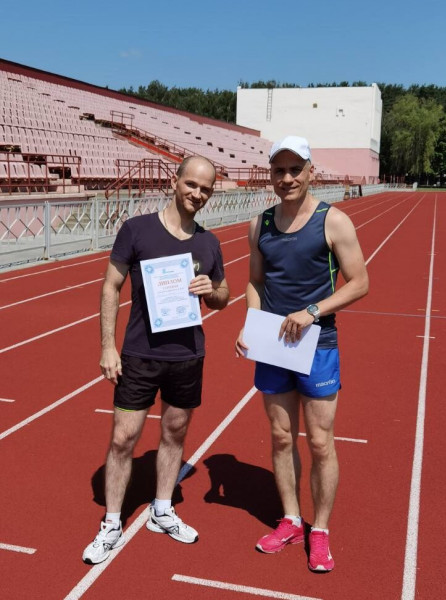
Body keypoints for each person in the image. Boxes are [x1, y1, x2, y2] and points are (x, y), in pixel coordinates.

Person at [83, 156, 229, 564]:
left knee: (175, 433)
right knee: (123, 438)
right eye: (191, 184)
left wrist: (211, 291)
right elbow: (110, 286)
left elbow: (224, 295)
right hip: (140, 355)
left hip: (187, 356)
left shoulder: (209, 243)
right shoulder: (137, 229)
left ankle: (162, 509)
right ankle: (112, 521)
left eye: (205, 189)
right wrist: (107, 346)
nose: (197, 194)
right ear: (174, 182)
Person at [235, 136, 369, 572]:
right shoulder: (259, 224)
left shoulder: (334, 221)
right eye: (279, 170)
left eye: (296, 169)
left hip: (317, 344)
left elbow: (360, 282)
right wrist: (251, 323)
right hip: (273, 344)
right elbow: (256, 281)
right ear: (271, 175)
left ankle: (321, 530)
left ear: (311, 171)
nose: (287, 178)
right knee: (280, 436)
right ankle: (291, 520)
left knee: (320, 441)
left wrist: (313, 311)